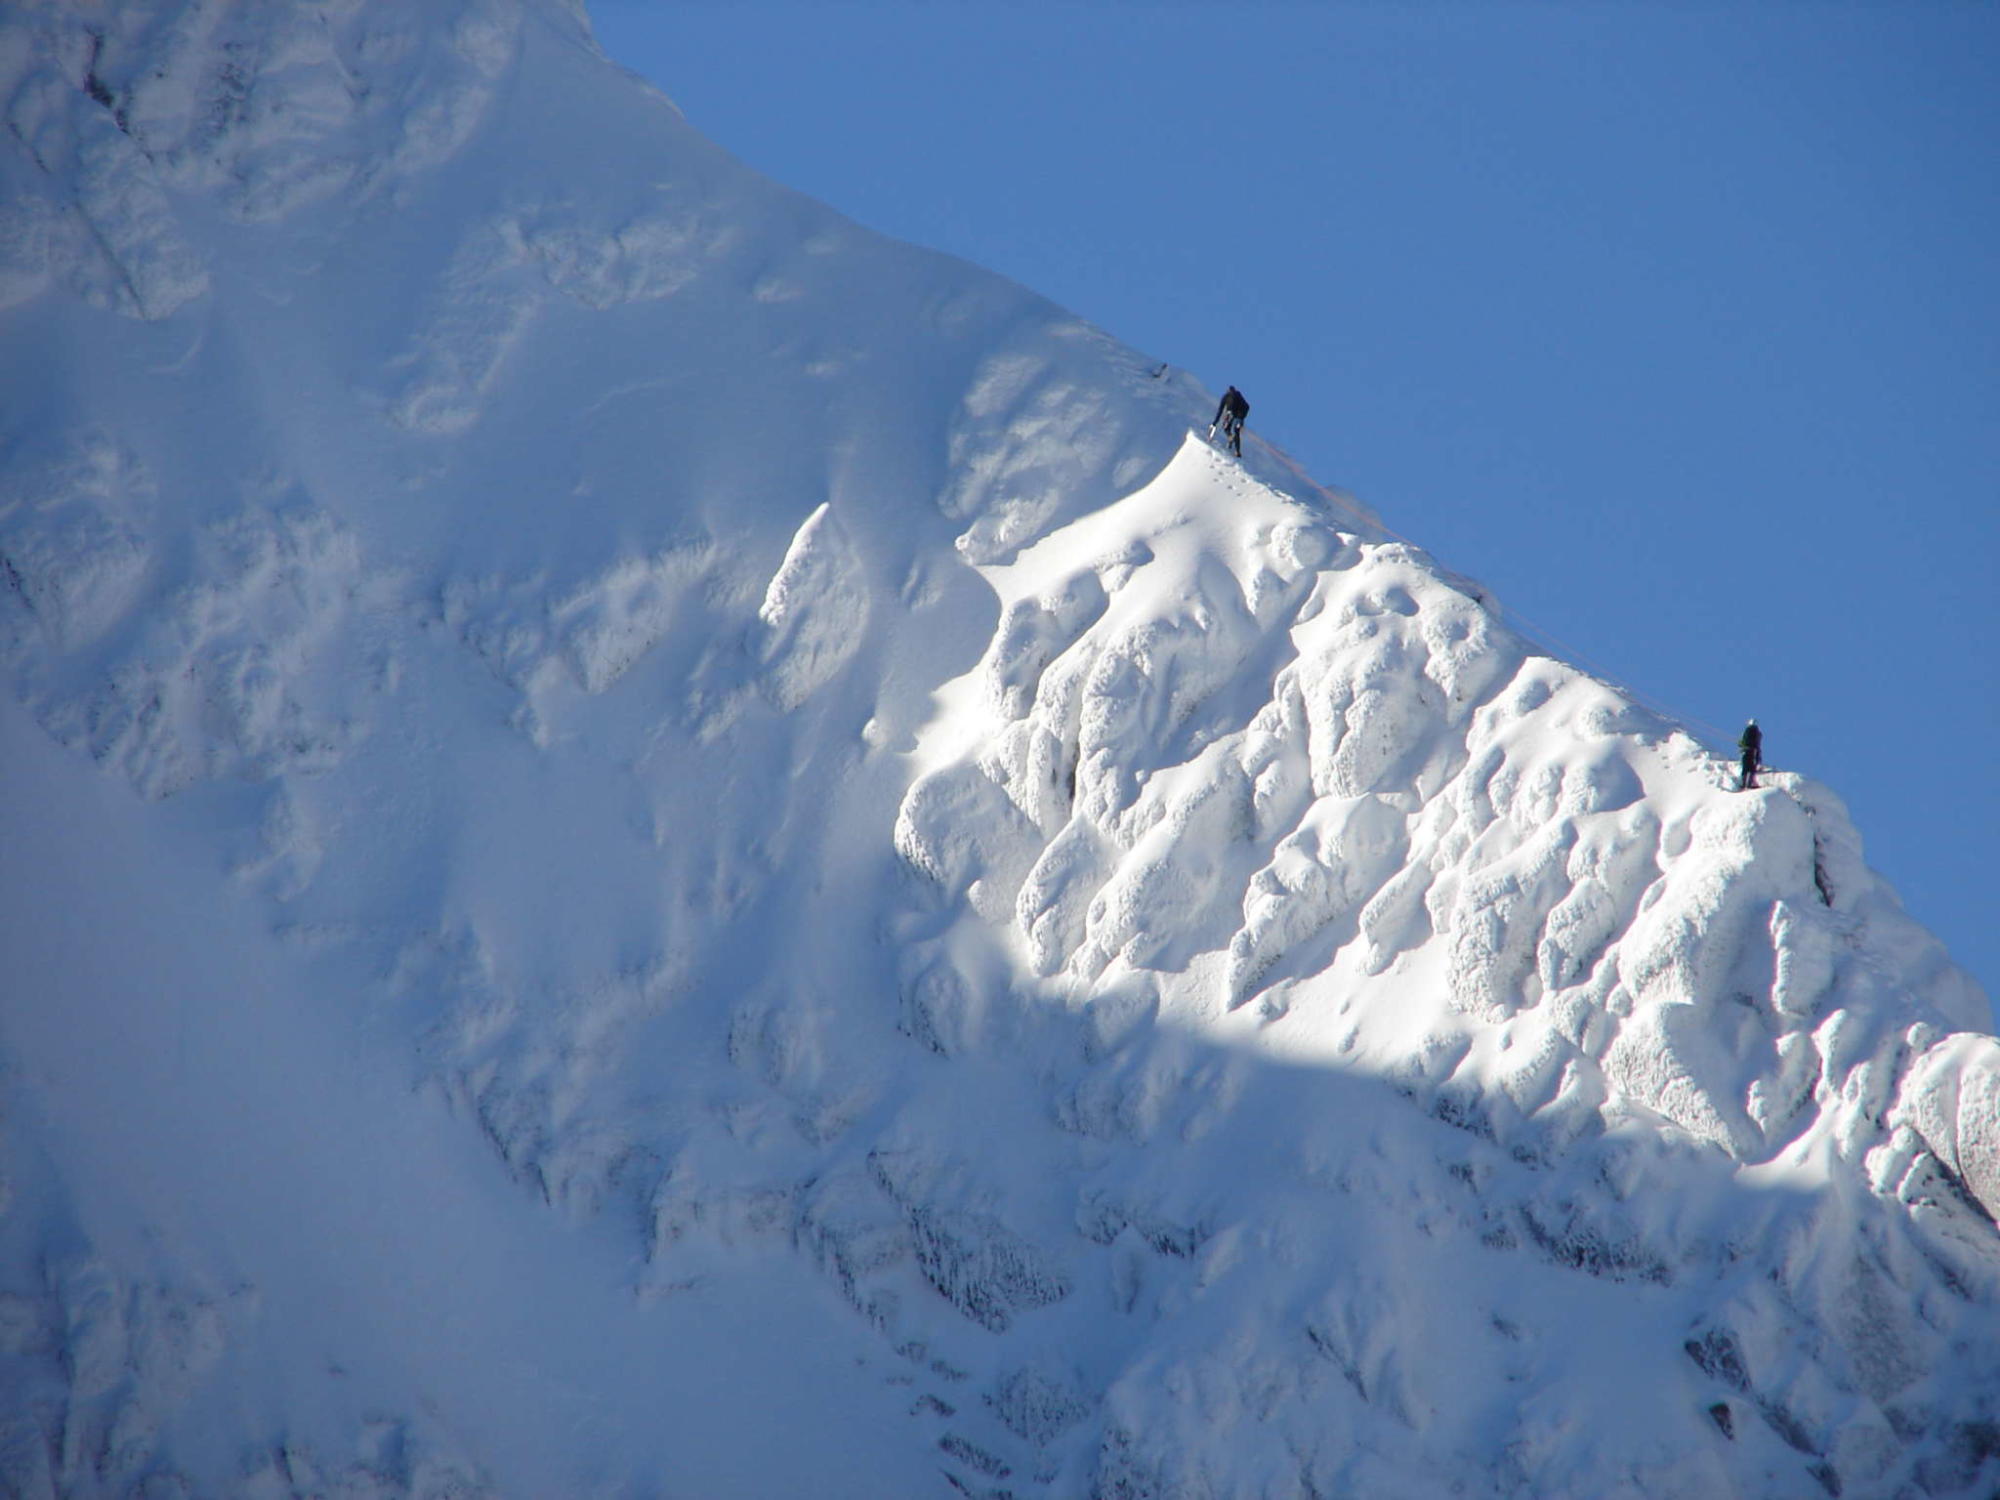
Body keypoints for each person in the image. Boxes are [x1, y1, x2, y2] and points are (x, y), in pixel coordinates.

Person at [1209, 386, 1249, 457]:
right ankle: (1236, 448)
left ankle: (1232, 441)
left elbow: (1220, 411)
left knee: (1230, 429)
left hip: (1235, 414)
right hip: (1236, 414)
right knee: (1233, 429)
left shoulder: (1228, 397)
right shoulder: (1235, 395)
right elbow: (1246, 406)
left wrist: (1215, 422)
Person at [1738, 719, 1762, 791]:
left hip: (1746, 751)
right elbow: (1757, 745)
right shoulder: (1758, 733)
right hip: (1753, 752)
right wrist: (1758, 758)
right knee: (1751, 768)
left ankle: (1743, 783)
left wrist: (1741, 745)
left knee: (1745, 767)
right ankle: (1750, 783)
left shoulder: (1747, 731)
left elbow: (1743, 741)